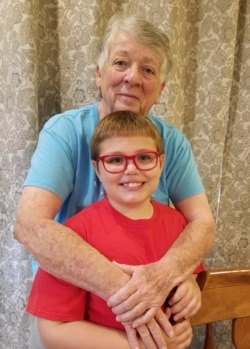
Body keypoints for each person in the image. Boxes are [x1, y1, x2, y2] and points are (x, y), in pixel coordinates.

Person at [14, 12, 215, 349]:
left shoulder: (174, 144)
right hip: (72, 319)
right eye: (121, 62)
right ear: (99, 73)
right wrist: (135, 295)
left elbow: (201, 226)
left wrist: (175, 285)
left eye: (148, 70)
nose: (132, 77)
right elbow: (30, 225)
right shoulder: (65, 132)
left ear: (161, 89)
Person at [26, 111, 204, 349]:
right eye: (115, 160)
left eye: (144, 157)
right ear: (97, 169)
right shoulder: (72, 238)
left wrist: (190, 290)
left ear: (161, 163)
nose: (131, 169)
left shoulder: (180, 226)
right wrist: (137, 346)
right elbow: (53, 331)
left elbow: (190, 273)